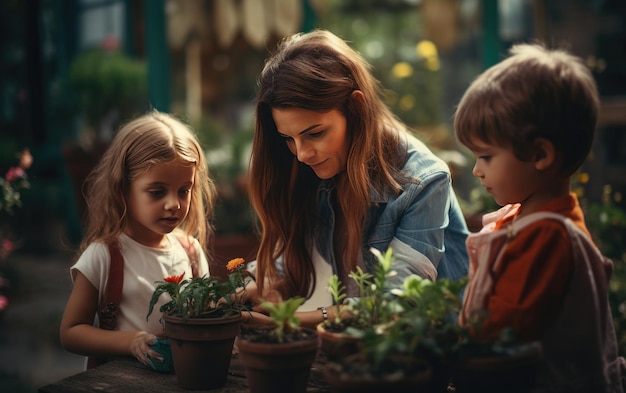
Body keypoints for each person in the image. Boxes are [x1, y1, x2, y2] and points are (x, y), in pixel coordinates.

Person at [245, 29, 469, 328]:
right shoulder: (318, 166)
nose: (301, 154)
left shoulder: (423, 181)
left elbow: (400, 302)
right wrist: (268, 291)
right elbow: (291, 260)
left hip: (437, 351)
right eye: (288, 138)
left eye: (315, 133)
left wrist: (296, 320)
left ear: (357, 108)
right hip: (362, 351)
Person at [455, 43, 624, 391]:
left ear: (540, 154)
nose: (476, 170)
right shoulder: (530, 216)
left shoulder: (546, 235)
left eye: (486, 157)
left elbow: (499, 330)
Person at [60, 111, 216, 369]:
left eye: (183, 191)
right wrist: (131, 342)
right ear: (123, 189)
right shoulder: (104, 255)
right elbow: (71, 333)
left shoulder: (190, 251)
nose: (173, 204)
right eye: (157, 192)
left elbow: (207, 316)